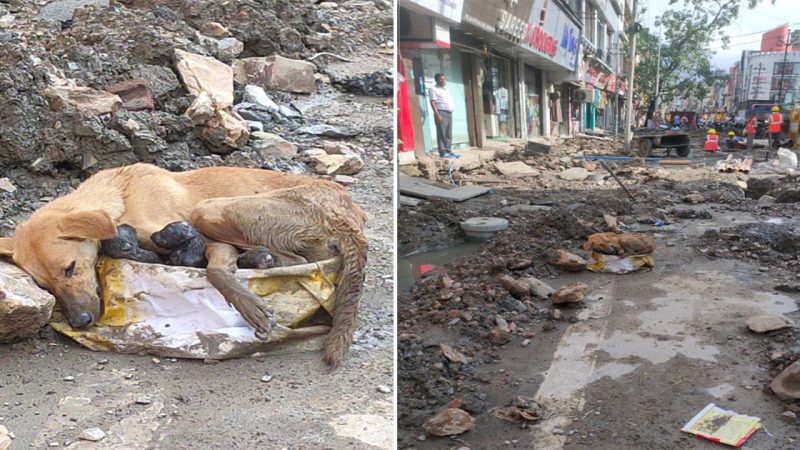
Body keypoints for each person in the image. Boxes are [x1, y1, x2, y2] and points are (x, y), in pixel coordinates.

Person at [428, 73, 459, 159]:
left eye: (444, 79)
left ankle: (449, 151)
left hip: (449, 113)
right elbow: (433, 102)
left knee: (448, 134)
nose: (443, 80)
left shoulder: (446, 89)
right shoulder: (433, 89)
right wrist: (437, 115)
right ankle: (442, 152)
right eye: (441, 79)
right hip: (441, 112)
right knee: (442, 133)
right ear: (436, 80)